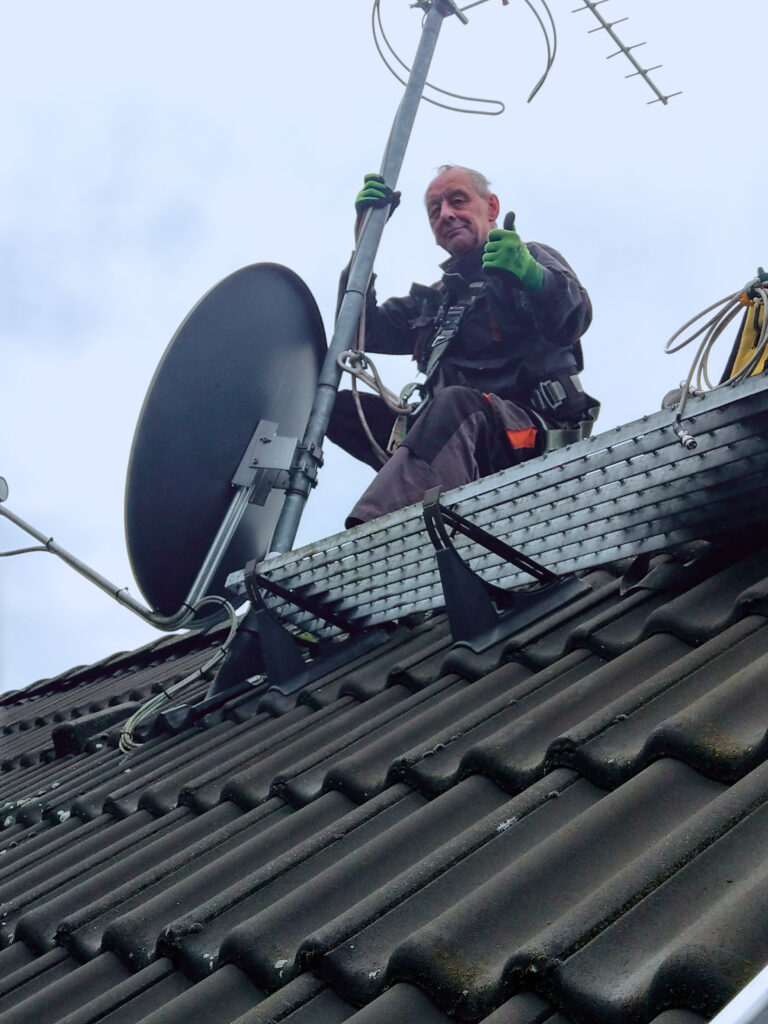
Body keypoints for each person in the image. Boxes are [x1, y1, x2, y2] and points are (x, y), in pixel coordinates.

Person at [326, 164, 597, 526]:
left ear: (492, 207)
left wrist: (532, 276)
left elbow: (572, 318)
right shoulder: (435, 303)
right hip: (454, 440)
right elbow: (361, 330)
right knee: (331, 405)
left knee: (454, 404)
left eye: (458, 201)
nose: (447, 215)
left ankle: (378, 537)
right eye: (435, 210)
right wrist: (365, 241)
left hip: (533, 431)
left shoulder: (525, 259)